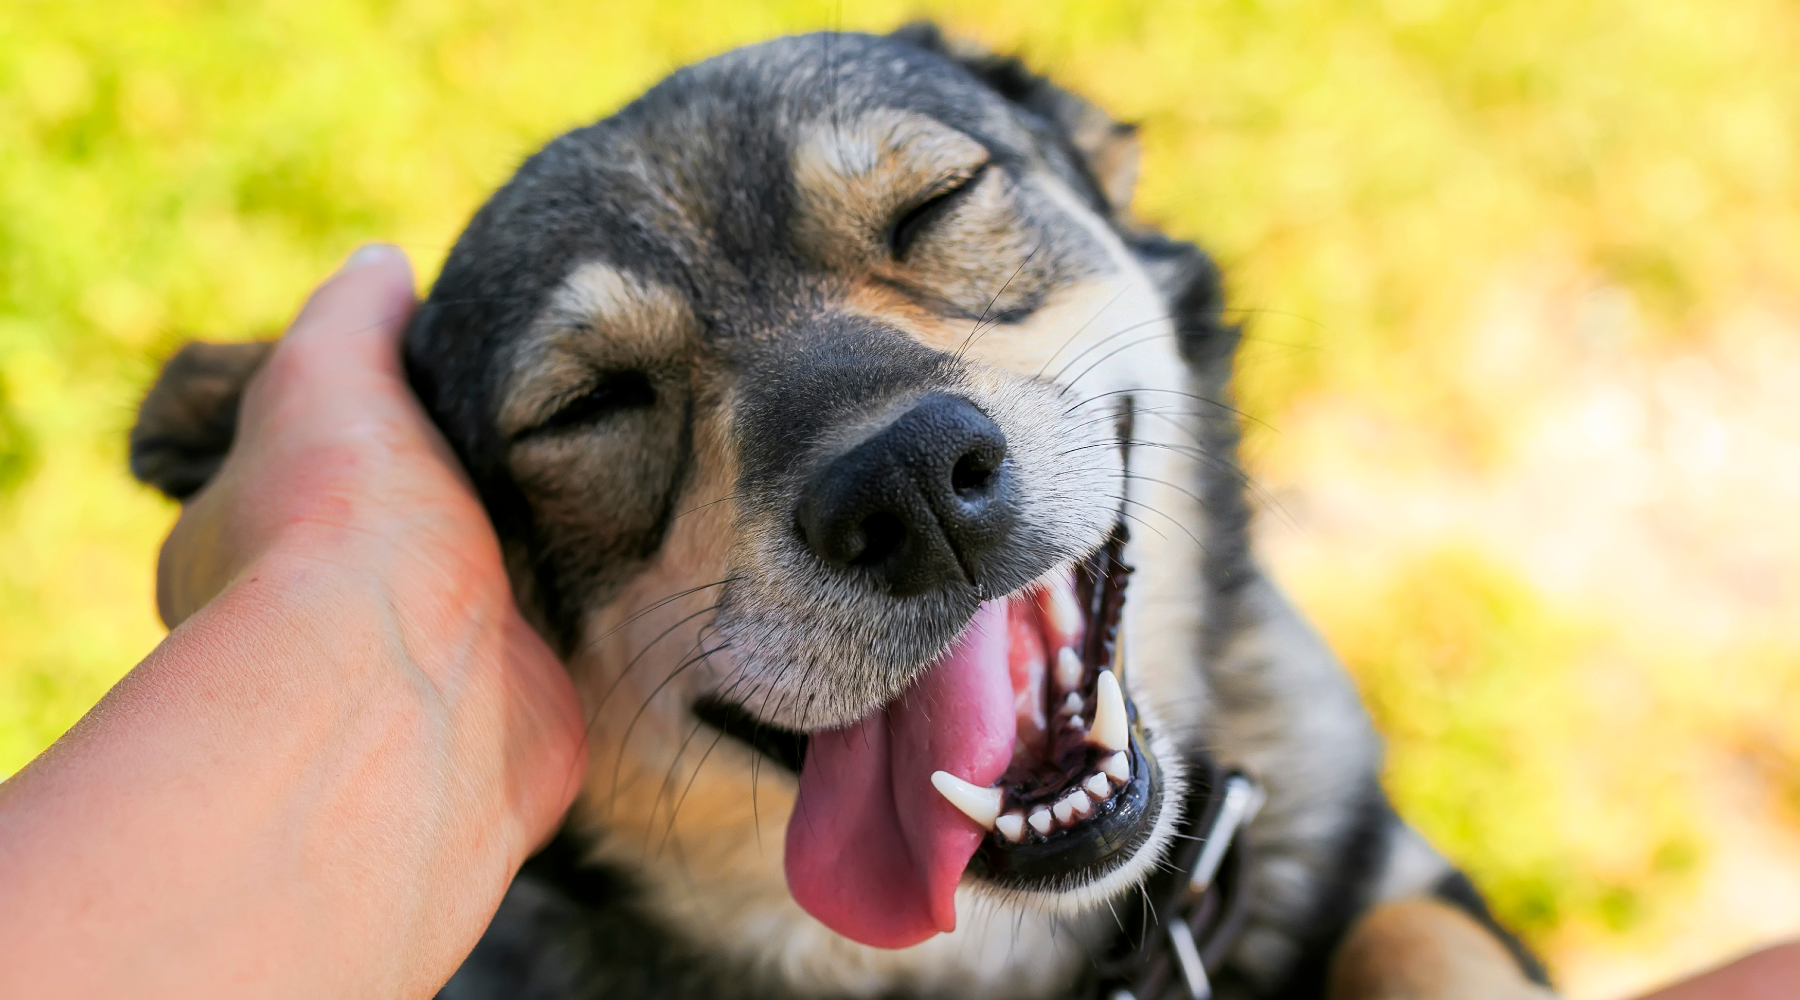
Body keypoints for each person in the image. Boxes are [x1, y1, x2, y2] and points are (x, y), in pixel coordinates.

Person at [0, 247, 1790, 998]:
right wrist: (349, 591)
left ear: (1120, 217)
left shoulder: (1283, 746)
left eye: (934, 219)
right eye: (598, 404)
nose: (897, 448)